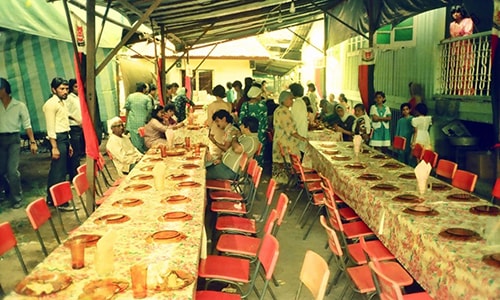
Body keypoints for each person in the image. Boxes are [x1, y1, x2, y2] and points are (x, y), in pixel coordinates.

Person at [0, 78, 37, 209]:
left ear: (4, 90)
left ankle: (17, 199)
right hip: (0, 139)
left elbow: (27, 125)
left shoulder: (19, 105)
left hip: (13, 139)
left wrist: (32, 142)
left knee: (12, 171)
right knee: (1, 171)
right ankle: (6, 193)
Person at [43, 77, 75, 208]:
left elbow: (64, 123)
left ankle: (53, 199)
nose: (65, 91)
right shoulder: (51, 104)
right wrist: (54, 147)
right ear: (53, 89)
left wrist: (69, 144)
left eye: (67, 89)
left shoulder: (62, 103)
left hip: (65, 138)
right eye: (61, 89)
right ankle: (58, 201)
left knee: (60, 170)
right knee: (58, 171)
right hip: (57, 139)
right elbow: (51, 128)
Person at [206, 116, 260, 180]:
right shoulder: (247, 137)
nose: (240, 127)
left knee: (203, 173)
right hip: (226, 167)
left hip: (230, 171)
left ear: (247, 127)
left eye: (242, 125)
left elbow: (237, 149)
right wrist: (222, 161)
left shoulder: (251, 140)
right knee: (205, 167)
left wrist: (234, 136)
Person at [272, 90, 307, 185]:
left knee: (281, 163)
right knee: (296, 155)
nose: (292, 101)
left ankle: (283, 182)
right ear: (284, 100)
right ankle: (294, 180)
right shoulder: (284, 111)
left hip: (280, 140)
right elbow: (291, 130)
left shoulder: (279, 109)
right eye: (290, 99)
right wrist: (301, 138)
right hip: (285, 142)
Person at [239, 83, 268, 165]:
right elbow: (265, 122)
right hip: (260, 133)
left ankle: (248, 168)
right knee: (259, 152)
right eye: (259, 94)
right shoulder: (263, 106)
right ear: (256, 95)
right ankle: (258, 169)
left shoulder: (245, 105)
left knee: (248, 151)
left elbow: (241, 120)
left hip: (248, 132)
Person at [449, 5, 475, 95]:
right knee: (457, 70)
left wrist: (459, 37)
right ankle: (459, 91)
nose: (455, 14)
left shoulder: (468, 21)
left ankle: (467, 91)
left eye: (457, 12)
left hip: (465, 46)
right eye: (453, 12)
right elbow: (452, 36)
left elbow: (468, 33)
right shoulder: (452, 24)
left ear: (461, 12)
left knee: (466, 69)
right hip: (456, 48)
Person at [124, 82, 153, 153]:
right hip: (143, 123)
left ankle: (138, 154)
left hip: (132, 123)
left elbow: (127, 108)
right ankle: (143, 154)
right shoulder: (147, 98)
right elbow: (150, 110)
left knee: (135, 141)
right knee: (143, 140)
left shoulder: (130, 96)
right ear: (143, 89)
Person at [206, 85, 233, 160]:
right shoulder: (228, 105)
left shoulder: (211, 105)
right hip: (226, 131)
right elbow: (228, 119)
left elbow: (209, 122)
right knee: (224, 154)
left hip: (215, 132)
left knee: (215, 155)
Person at [66, 79, 85, 160]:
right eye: (75, 87)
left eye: (79, 86)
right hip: (73, 126)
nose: (77, 88)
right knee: (75, 150)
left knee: (80, 150)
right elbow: (66, 112)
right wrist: (77, 120)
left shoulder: (79, 97)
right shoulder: (69, 98)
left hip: (81, 126)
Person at [290, 83, 308, 156]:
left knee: (298, 155)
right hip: (302, 130)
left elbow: (293, 119)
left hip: (298, 132)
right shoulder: (301, 102)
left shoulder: (296, 103)